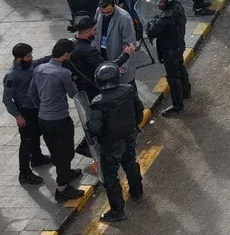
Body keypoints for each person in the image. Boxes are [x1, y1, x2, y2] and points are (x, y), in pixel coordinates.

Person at [85, 62, 144, 221]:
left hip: (111, 145)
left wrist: (89, 125)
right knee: (130, 164)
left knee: (111, 177)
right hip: (129, 136)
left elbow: (95, 128)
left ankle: (118, 210)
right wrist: (134, 126)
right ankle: (137, 192)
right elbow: (139, 109)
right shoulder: (128, 90)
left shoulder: (98, 102)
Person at [28, 39, 83, 201]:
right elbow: (73, 94)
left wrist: (42, 108)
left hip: (43, 118)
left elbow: (32, 94)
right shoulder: (63, 74)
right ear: (66, 55)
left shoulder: (39, 69)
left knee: (55, 150)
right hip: (59, 119)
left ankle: (66, 174)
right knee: (65, 153)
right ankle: (62, 188)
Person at [4, 43, 52, 186]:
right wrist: (18, 116)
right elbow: (7, 98)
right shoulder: (12, 75)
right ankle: (24, 173)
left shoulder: (30, 64)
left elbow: (39, 62)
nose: (31, 58)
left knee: (36, 134)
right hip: (25, 110)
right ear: (19, 59)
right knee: (27, 141)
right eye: (28, 56)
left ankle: (37, 158)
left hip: (36, 106)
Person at [144, 0, 189, 115]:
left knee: (173, 78)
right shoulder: (178, 7)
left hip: (169, 50)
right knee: (180, 69)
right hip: (179, 45)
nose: (159, 4)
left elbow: (152, 31)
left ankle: (177, 106)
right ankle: (186, 91)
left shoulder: (166, 17)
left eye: (162, 1)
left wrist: (150, 24)